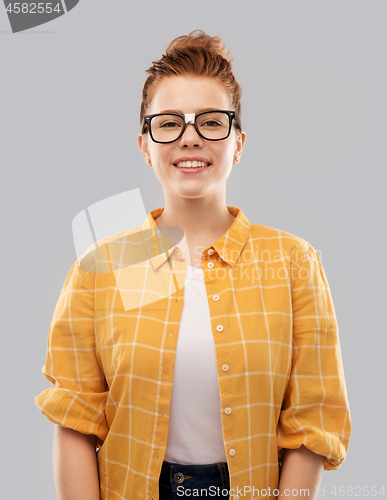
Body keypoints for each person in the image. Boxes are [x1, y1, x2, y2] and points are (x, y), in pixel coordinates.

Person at [35, 30, 351, 500]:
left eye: (210, 122)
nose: (189, 138)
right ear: (144, 144)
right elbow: (76, 419)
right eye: (168, 123)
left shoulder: (293, 263)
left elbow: (312, 419)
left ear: (238, 142)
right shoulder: (99, 268)